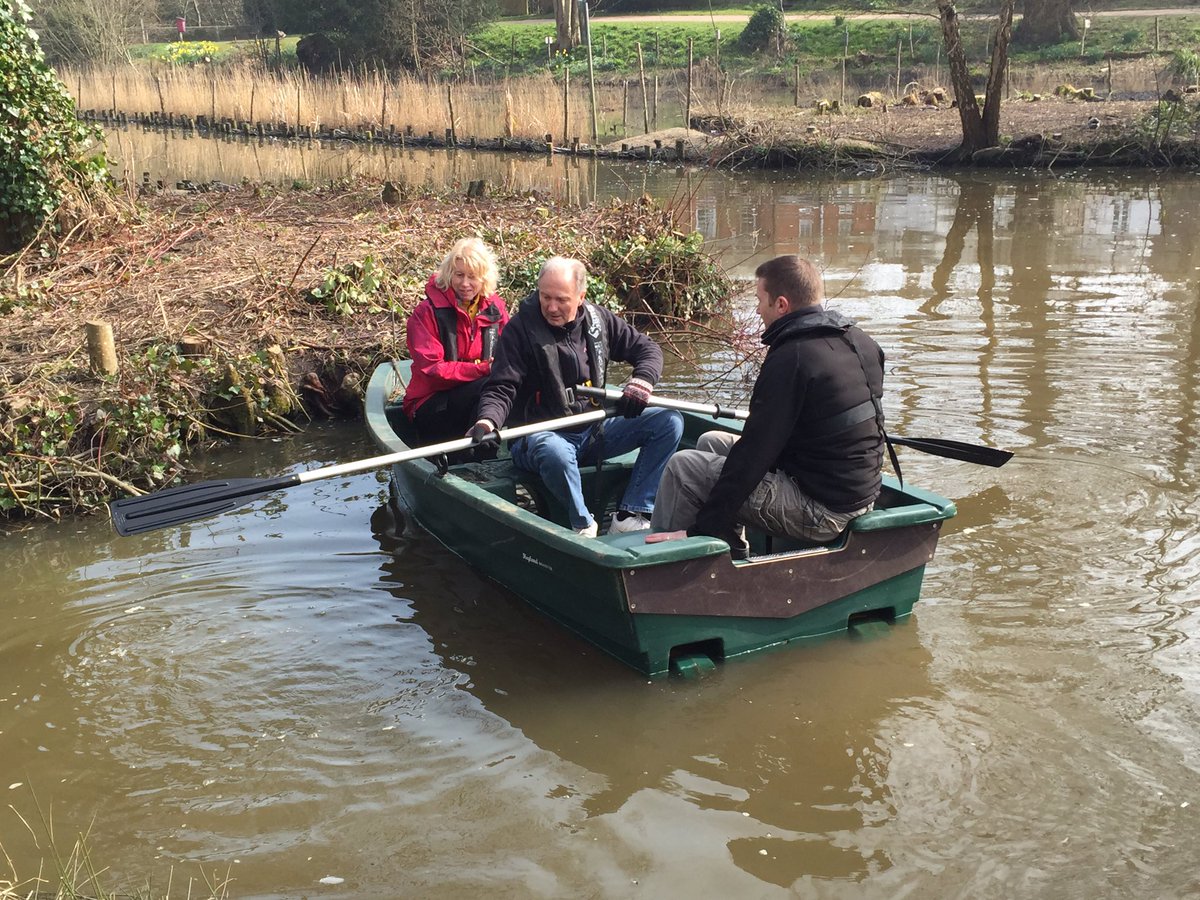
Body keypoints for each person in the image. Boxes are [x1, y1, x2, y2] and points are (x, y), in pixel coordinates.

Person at [646, 254, 885, 557]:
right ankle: (730, 551)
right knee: (710, 441)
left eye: (760, 300)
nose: (757, 309)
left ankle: (669, 562)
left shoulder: (792, 357)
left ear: (782, 305)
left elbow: (755, 453)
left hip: (823, 512)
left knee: (684, 468)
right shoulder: (861, 341)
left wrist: (698, 530)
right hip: (859, 495)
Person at [470, 256, 683, 538]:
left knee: (669, 422)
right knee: (553, 451)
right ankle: (583, 524)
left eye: (561, 299)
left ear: (580, 297)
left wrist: (641, 381)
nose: (551, 307)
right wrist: (487, 421)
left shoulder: (599, 321)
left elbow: (648, 350)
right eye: (545, 297)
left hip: (594, 431)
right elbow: (501, 387)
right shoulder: (520, 330)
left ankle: (630, 513)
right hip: (540, 437)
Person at [402, 237, 509, 444]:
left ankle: (483, 448)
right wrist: (483, 369)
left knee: (505, 386)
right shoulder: (426, 313)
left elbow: (511, 351)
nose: (465, 283)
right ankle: (471, 456)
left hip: (478, 399)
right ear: (450, 274)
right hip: (431, 402)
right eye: (459, 275)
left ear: (484, 278)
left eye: (473, 277)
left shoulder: (496, 308)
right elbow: (432, 371)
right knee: (488, 384)